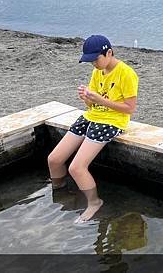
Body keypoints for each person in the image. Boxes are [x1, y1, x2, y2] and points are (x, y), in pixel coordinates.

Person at [47, 35, 139, 222]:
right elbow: (93, 107)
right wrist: (87, 99)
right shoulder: (98, 71)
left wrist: (100, 100)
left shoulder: (126, 74)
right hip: (92, 116)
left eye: (96, 59)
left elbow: (130, 109)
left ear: (109, 53)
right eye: (90, 61)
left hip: (113, 121)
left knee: (77, 167)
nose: (94, 64)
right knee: (54, 159)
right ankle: (60, 192)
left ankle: (94, 202)